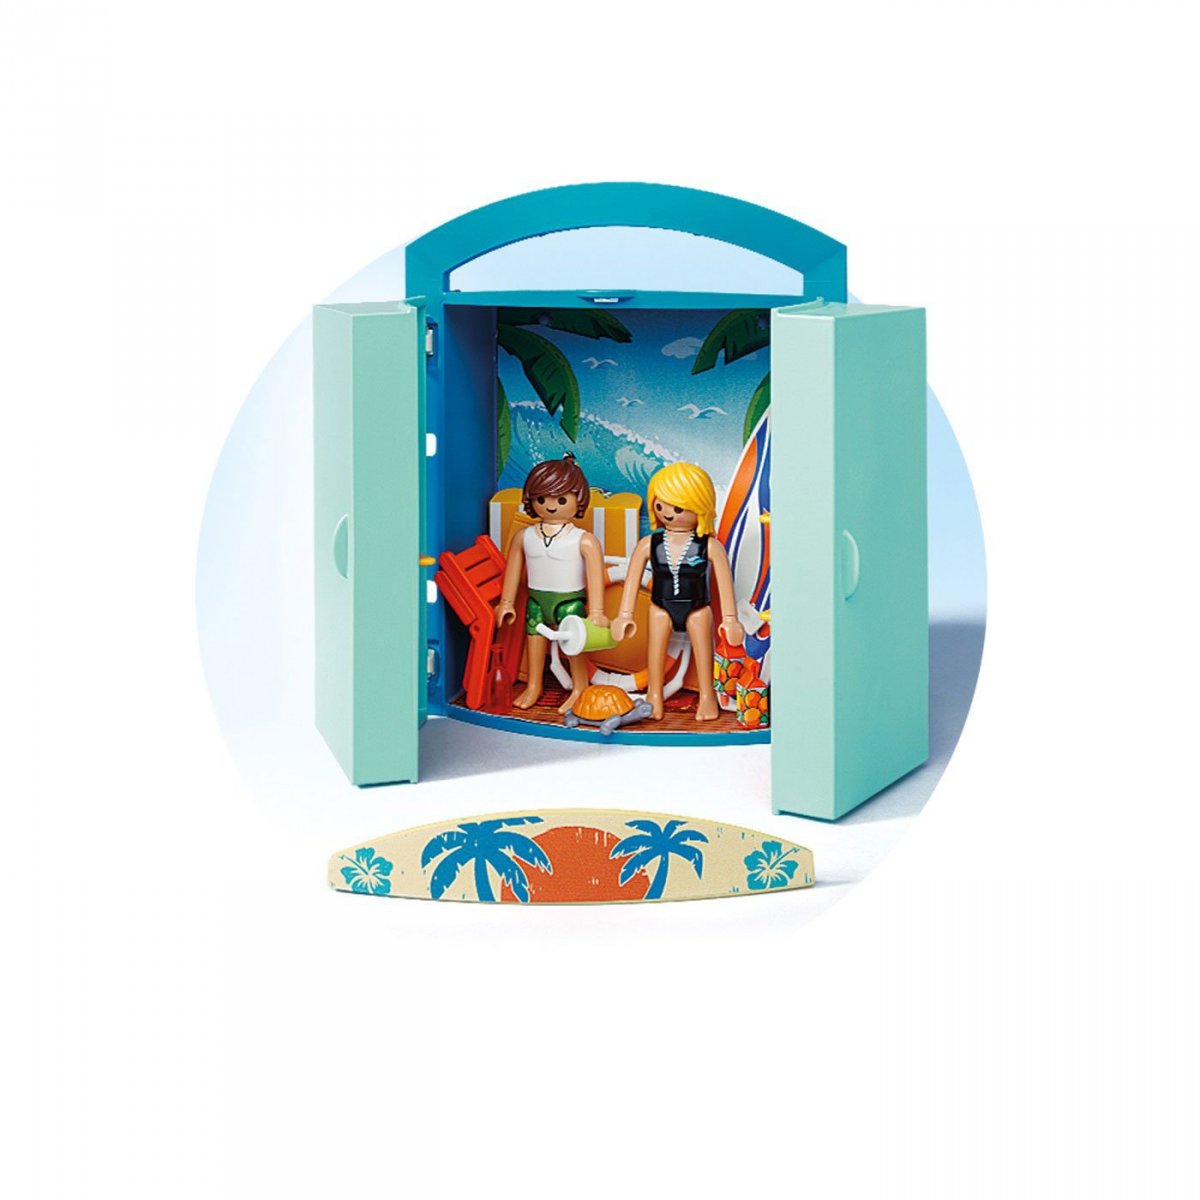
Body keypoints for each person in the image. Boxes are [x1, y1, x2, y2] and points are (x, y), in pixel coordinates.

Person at [611, 462, 744, 720]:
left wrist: (730, 619)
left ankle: (707, 696)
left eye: (678, 508)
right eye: (660, 505)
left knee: (704, 651)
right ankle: (654, 695)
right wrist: (624, 614)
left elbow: (725, 584)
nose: (668, 513)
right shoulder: (649, 544)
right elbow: (632, 580)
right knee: (655, 651)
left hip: (697, 608)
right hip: (660, 607)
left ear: (700, 507)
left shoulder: (709, 546)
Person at [496, 453, 608, 713]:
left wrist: (597, 612)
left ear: (578, 499)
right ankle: (534, 685)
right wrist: (506, 602)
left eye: (561, 499)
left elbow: (595, 577)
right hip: (536, 601)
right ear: (531, 499)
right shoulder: (524, 536)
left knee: (575, 645)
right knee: (534, 640)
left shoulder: (584, 540)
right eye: (541, 499)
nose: (551, 506)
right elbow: (513, 570)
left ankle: (580, 687)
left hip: (570, 603)